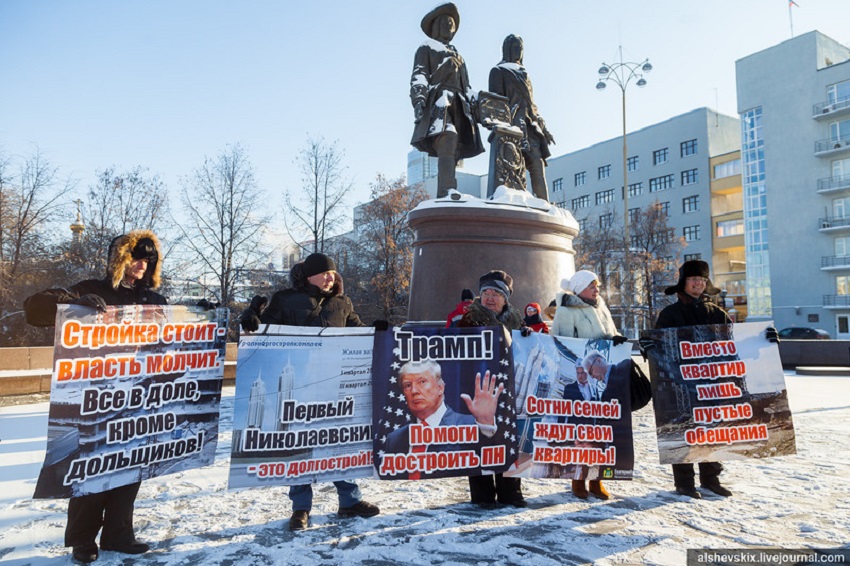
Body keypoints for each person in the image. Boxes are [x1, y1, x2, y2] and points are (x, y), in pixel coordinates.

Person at [23, 230, 166, 563]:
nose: (142, 264)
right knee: (92, 468)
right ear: (120, 258)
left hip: (137, 397)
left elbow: (173, 338)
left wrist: (201, 315)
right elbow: (35, 310)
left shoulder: (154, 300)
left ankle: (119, 534)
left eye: (149, 259)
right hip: (95, 398)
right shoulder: (91, 289)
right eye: (136, 257)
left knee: (129, 468)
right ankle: (83, 540)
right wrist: (70, 303)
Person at [239, 252, 379, 530]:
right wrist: (250, 316)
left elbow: (358, 331)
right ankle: (300, 508)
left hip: (334, 385)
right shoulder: (286, 299)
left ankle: (349, 500)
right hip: (299, 384)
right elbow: (263, 331)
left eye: (333, 274)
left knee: (338, 442)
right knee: (299, 445)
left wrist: (379, 330)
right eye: (325, 273)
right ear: (310, 274)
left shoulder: (343, 302)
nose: (331, 277)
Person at [652, 259, 733, 499]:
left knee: (711, 430)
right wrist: (649, 345)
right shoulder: (669, 314)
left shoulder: (717, 313)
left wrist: (765, 338)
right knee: (683, 430)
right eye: (694, 279)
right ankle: (684, 482)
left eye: (702, 279)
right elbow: (657, 350)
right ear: (683, 283)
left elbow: (735, 344)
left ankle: (711, 479)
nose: (698, 283)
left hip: (711, 384)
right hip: (680, 385)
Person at [551, 270, 627, 500]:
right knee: (582, 436)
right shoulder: (566, 311)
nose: (596, 290)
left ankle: (597, 480)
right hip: (584, 371)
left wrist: (617, 340)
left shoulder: (601, 307)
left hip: (601, 380)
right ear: (579, 288)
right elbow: (560, 341)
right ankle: (577, 480)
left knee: (602, 434)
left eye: (597, 285)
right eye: (591, 286)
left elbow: (611, 334)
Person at [458, 270, 526, 507]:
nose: (490, 297)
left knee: (509, 442)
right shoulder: (466, 320)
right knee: (479, 442)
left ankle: (511, 494)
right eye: (485, 292)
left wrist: (528, 337)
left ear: (506, 298)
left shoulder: (518, 324)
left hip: (510, 393)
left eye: (496, 293)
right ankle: (483, 496)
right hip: (478, 390)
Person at [410, 2, 484, 198]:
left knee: (455, 145)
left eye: (452, 24)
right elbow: (420, 76)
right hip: (439, 102)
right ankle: (446, 191)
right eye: (445, 22)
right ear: (436, 25)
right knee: (447, 139)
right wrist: (419, 100)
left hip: (459, 106)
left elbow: (467, 86)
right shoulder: (426, 48)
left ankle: (451, 190)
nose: (449, 27)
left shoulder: (459, 56)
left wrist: (481, 105)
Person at [384, 360, 502, 479]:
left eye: (422, 382)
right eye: (407, 385)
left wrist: (486, 424)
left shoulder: (473, 425)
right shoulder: (394, 439)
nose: (414, 391)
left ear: (440, 388)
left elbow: (498, 459)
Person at [488, 34, 555, 201]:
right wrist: (504, 127)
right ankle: (511, 201)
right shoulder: (499, 71)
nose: (519, 51)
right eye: (515, 47)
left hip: (530, 127)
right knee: (511, 171)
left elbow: (532, 105)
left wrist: (544, 129)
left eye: (521, 47)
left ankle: (544, 205)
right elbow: (495, 103)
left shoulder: (524, 74)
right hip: (511, 129)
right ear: (507, 49)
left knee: (537, 166)